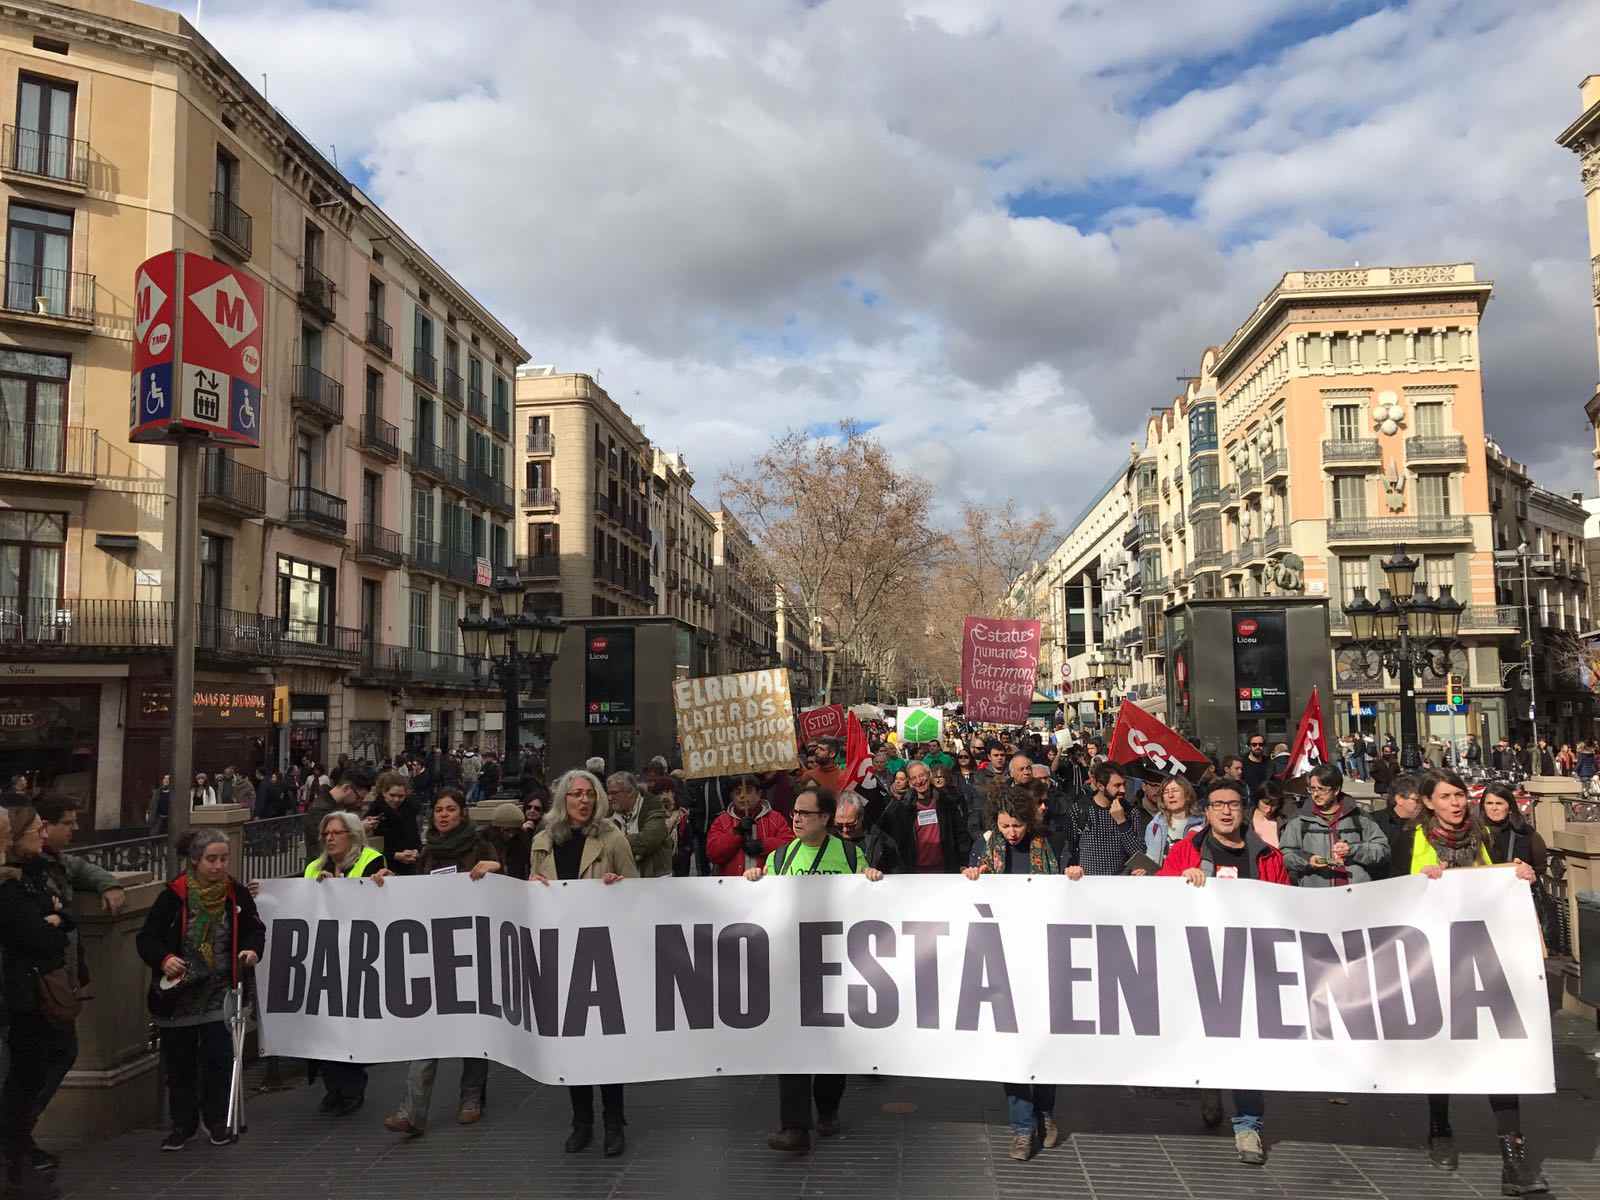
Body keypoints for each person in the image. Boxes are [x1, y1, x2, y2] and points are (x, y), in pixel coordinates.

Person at [1409, 769, 1548, 1194]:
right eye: (1446, 796)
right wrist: (1427, 882)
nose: (1455, 803)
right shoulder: (1415, 840)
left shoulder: (1480, 836)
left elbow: (1493, 880)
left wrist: (1520, 875)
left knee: (1500, 1050)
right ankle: (1440, 1128)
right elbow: (1406, 892)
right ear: (1429, 802)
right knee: (1445, 1050)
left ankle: (1514, 1158)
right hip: (1436, 962)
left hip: (1484, 960)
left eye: (1459, 796)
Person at [743, 784, 883, 1154]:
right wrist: (754, 882)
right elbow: (764, 905)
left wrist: (872, 882)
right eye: (795, 812)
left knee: (829, 1046)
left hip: (836, 966)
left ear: (825, 818)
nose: (797, 818)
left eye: (805, 813)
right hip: (791, 966)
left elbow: (871, 905)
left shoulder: (850, 855)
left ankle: (827, 1109)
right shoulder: (780, 857)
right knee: (790, 1045)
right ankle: (794, 1126)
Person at [1158, 780, 1288, 1164]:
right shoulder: (1187, 851)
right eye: (1218, 805)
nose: (1226, 811)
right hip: (1201, 961)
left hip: (1251, 963)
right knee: (1208, 1037)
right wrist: (1182, 882)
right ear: (1207, 811)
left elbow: (1283, 904)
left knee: (1247, 1045)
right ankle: (1209, 1084)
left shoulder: (1266, 856)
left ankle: (1248, 1125)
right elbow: (1158, 895)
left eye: (1233, 804)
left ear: (1244, 809)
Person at [382, 789, 502, 1138]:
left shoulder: (480, 847)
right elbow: (420, 895)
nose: (444, 815)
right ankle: (412, 1110)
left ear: (462, 813)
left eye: (450, 809)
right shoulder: (429, 853)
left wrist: (495, 868)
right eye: (438, 810)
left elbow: (507, 885)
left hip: (475, 948)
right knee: (427, 1029)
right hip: (436, 950)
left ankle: (471, 1097)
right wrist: (391, 884)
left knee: (471, 1027)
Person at [529, 770, 635, 1156]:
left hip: (602, 951)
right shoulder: (542, 842)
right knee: (572, 1043)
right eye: (575, 794)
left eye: (589, 794)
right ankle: (581, 1121)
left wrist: (618, 887)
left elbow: (637, 891)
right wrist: (532, 889)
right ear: (563, 800)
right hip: (561, 952)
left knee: (606, 1043)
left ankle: (614, 1121)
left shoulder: (612, 838)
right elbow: (534, 893)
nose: (583, 801)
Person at [138, 829, 264, 1151]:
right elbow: (147, 938)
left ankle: (216, 1120)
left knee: (218, 1058)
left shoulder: (235, 894)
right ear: (195, 861)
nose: (219, 866)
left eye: (223, 859)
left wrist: (251, 950)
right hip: (179, 995)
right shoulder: (173, 896)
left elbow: (254, 927)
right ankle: (183, 1124)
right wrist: (164, 958)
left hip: (219, 990)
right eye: (212, 859)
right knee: (180, 1063)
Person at [961, 787, 1064, 1161]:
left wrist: (1072, 876)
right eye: (1005, 826)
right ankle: (1022, 1128)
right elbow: (968, 890)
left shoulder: (1050, 845)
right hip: (1003, 960)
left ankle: (1046, 1112)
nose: (1012, 833)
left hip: (1045, 958)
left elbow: (1068, 892)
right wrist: (972, 875)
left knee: (1045, 1044)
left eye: (1017, 825)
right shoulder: (984, 847)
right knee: (1015, 1048)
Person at [0, 804, 74, 1184]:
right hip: (22, 995)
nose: (42, 836)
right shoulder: (10, 886)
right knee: (21, 1074)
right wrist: (52, 923)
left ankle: (18, 1147)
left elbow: (61, 919)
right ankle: (15, 1153)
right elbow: (37, 935)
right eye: (36, 830)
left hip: (35, 992)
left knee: (42, 1062)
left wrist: (56, 919)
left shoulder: (35, 872)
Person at [1279, 763, 1389, 887]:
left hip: (1355, 892)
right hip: (1318, 894)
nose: (1315, 794)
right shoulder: (1299, 821)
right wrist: (1307, 860)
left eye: (1321, 789)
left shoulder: (1360, 817)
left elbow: (1382, 851)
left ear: (1336, 790)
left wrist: (1354, 850)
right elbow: (1285, 855)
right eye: (1312, 789)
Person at [883, 760, 969, 873]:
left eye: (921, 775)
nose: (919, 781)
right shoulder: (903, 807)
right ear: (909, 782)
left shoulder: (946, 801)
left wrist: (963, 862)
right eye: (913, 778)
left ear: (929, 775)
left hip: (946, 868)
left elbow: (960, 833)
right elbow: (888, 834)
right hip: (914, 871)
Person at [705, 775, 793, 877]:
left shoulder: (775, 818)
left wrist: (763, 845)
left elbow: (790, 847)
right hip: (732, 884)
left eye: (748, 791)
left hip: (767, 882)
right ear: (731, 796)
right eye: (737, 792)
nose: (742, 796)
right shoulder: (722, 821)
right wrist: (737, 833)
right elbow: (713, 854)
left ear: (759, 794)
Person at [1071, 763, 1144, 876]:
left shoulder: (1131, 812)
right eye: (1117, 785)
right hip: (1088, 883)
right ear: (1100, 786)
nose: (1123, 790)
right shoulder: (1080, 809)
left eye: (1124, 784)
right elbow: (1071, 849)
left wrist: (1122, 823)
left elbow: (1139, 855)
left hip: (1120, 884)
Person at [606, 772, 672, 878]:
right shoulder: (607, 812)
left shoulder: (654, 807)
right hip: (621, 880)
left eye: (614, 793)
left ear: (630, 792)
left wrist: (614, 843)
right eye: (608, 793)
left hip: (654, 879)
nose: (609, 797)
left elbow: (647, 841)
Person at [302, 765, 374, 861]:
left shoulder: (333, 806)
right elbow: (326, 846)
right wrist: (359, 829)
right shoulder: (321, 810)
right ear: (346, 788)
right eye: (358, 798)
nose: (359, 803)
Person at [365, 770, 422, 874]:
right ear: (383, 793)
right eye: (392, 795)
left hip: (409, 866)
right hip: (383, 869)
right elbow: (368, 849)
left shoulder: (410, 810)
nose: (396, 800)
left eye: (401, 796)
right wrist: (395, 855)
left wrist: (416, 851)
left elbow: (416, 837)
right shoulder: (374, 814)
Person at [1143, 776, 1204, 868]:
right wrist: (1145, 868)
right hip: (1163, 879)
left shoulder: (1202, 823)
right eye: (1166, 792)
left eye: (1175, 791)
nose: (1170, 795)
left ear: (1187, 795)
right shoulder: (1154, 825)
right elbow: (1151, 857)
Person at [1368, 773, 1421, 881]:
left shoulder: (1426, 823)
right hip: (1383, 884)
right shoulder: (1374, 822)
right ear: (1399, 799)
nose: (1422, 804)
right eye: (1417, 800)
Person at [832, 791, 898, 873]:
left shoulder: (883, 842)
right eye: (839, 825)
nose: (845, 830)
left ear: (861, 817)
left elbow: (896, 876)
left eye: (851, 824)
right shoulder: (824, 840)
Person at [490, 802, 535, 883]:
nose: (511, 834)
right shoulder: (487, 844)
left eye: (515, 831)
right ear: (497, 829)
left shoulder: (523, 842)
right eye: (507, 830)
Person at [1250, 779, 1291, 849]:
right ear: (1257, 799)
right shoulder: (1244, 820)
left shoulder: (1285, 823)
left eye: (1274, 805)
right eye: (1265, 803)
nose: (1269, 809)